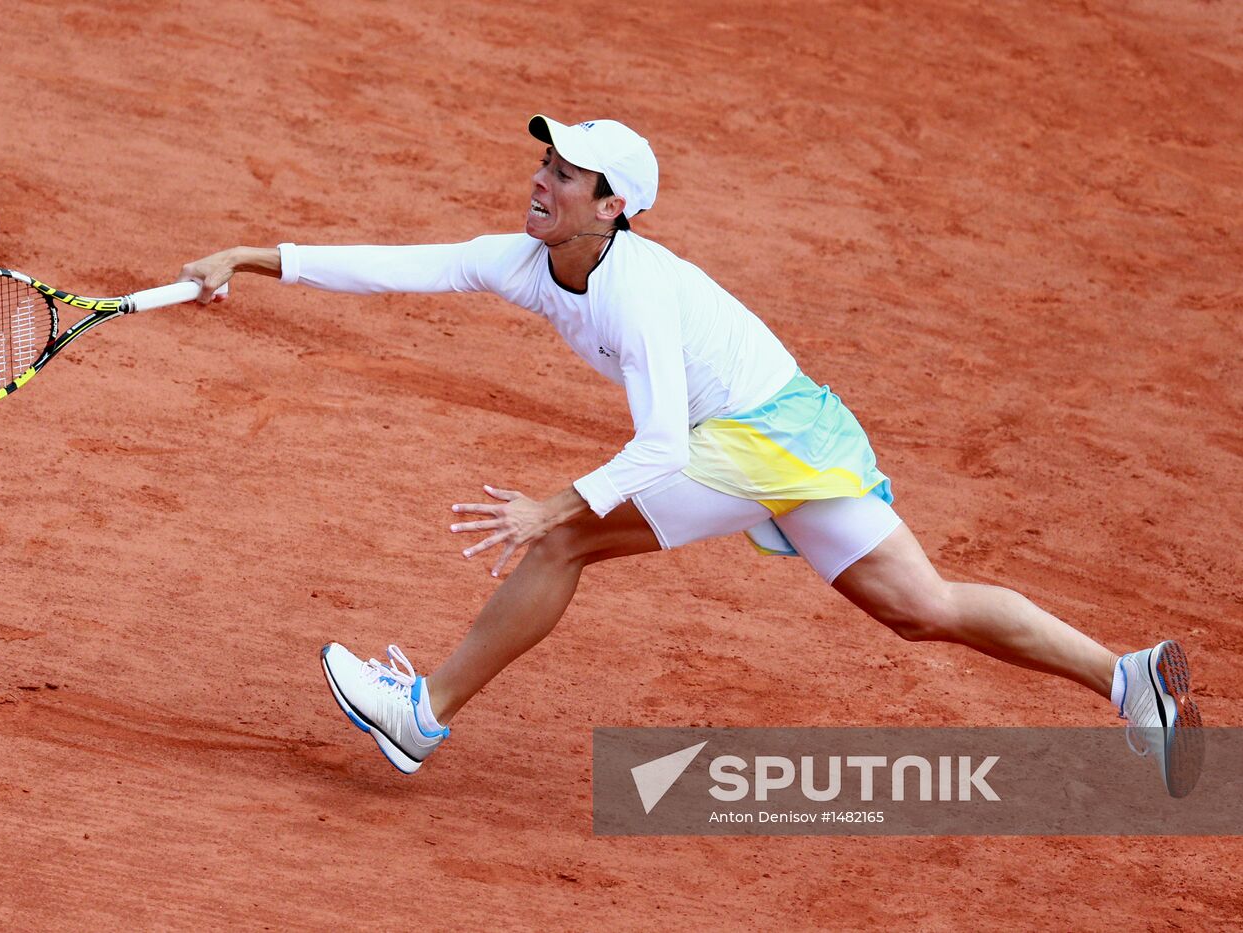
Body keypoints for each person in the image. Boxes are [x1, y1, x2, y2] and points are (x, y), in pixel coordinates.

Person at [179, 115, 1203, 797]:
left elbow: (664, 439)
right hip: (796, 431)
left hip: (757, 435)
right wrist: (254, 258)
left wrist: (553, 506)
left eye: (564, 176)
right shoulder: (526, 259)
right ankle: (1123, 683)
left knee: (563, 544)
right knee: (916, 607)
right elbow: (404, 268)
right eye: (544, 166)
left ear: (612, 205)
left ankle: (421, 714)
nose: (539, 182)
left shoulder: (635, 285)